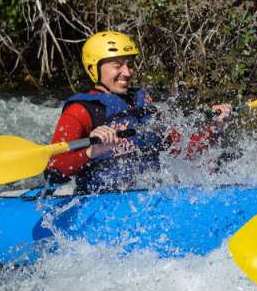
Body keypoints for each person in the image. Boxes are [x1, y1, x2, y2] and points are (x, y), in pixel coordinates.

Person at [46, 31, 231, 192]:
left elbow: (179, 150)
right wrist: (92, 151)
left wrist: (214, 128)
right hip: (102, 202)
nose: (127, 72)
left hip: (148, 194)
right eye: (117, 65)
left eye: (129, 64)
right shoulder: (80, 111)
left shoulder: (141, 103)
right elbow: (53, 174)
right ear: (93, 68)